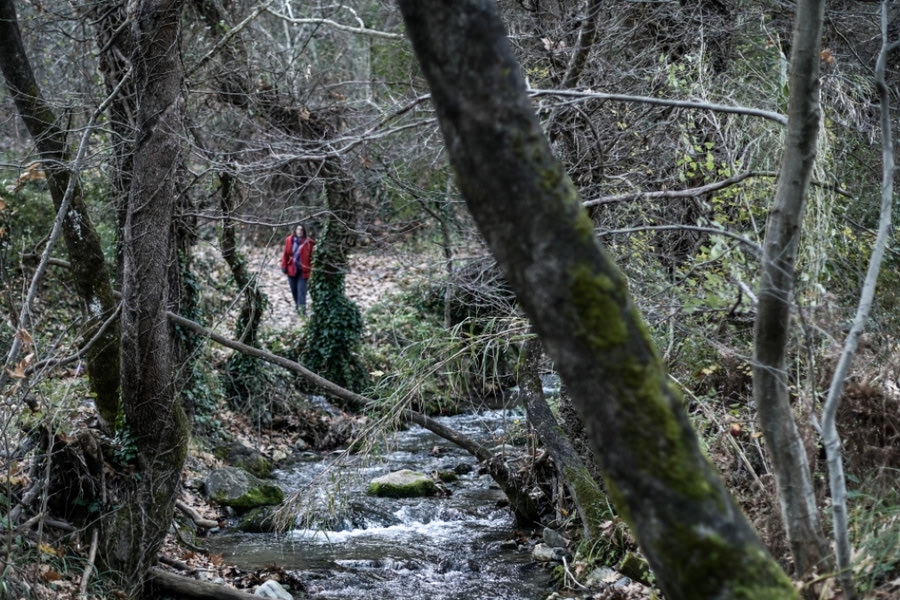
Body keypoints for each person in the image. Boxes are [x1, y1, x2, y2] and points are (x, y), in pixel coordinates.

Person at [280, 224, 315, 316]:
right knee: (294, 290)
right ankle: (297, 306)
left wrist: (312, 268)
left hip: (303, 271)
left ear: (304, 231)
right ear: (295, 230)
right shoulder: (289, 240)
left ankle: (302, 311)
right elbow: (285, 254)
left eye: (301, 230)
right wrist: (284, 266)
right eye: (298, 229)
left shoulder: (309, 242)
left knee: (301, 291)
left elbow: (312, 257)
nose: (299, 232)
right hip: (292, 269)